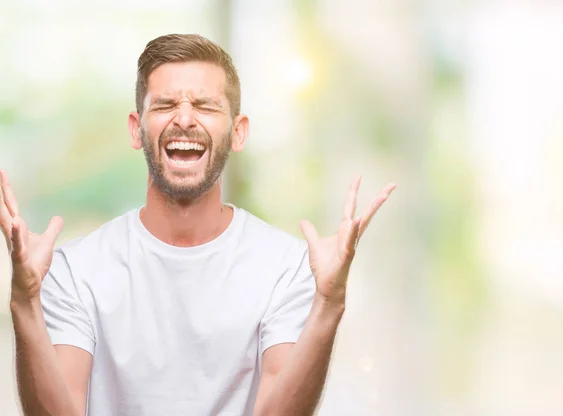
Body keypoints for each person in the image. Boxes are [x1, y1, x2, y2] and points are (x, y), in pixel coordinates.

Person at [2, 34, 396, 416]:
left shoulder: (287, 268)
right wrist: (24, 301)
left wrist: (329, 304)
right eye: (166, 104)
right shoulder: (75, 270)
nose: (185, 119)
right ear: (135, 129)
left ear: (237, 131)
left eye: (205, 106)